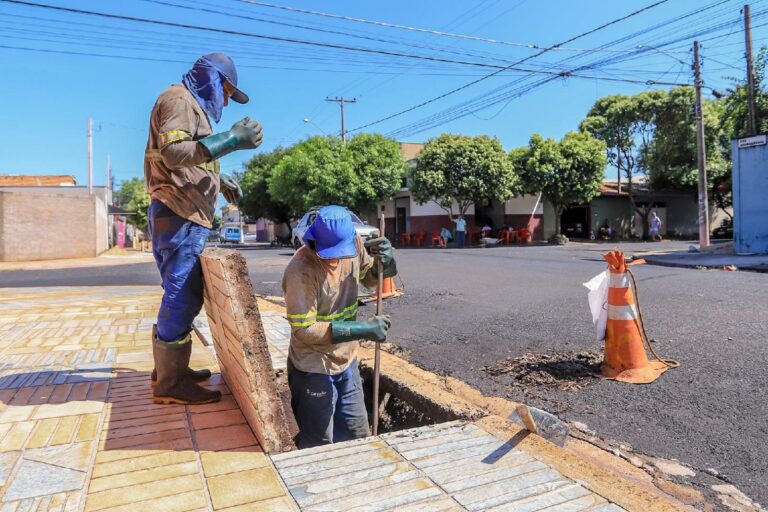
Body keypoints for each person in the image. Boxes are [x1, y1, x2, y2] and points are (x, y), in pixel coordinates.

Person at [145, 52, 263, 405]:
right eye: (226, 91)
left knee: (183, 292)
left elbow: (189, 157)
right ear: (212, 79)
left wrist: (218, 178)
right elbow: (175, 153)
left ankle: (170, 371)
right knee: (181, 295)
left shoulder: (187, 103)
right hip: (178, 211)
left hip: (183, 211)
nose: (226, 99)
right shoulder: (180, 99)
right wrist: (231, 139)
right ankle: (170, 382)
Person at [282, 206, 397, 448]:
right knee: (319, 442)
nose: (336, 258)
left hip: (347, 362)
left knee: (357, 434)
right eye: (329, 252)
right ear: (315, 240)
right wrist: (362, 330)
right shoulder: (300, 270)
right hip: (313, 366)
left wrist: (387, 263)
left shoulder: (352, 243)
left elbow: (369, 279)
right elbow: (305, 330)